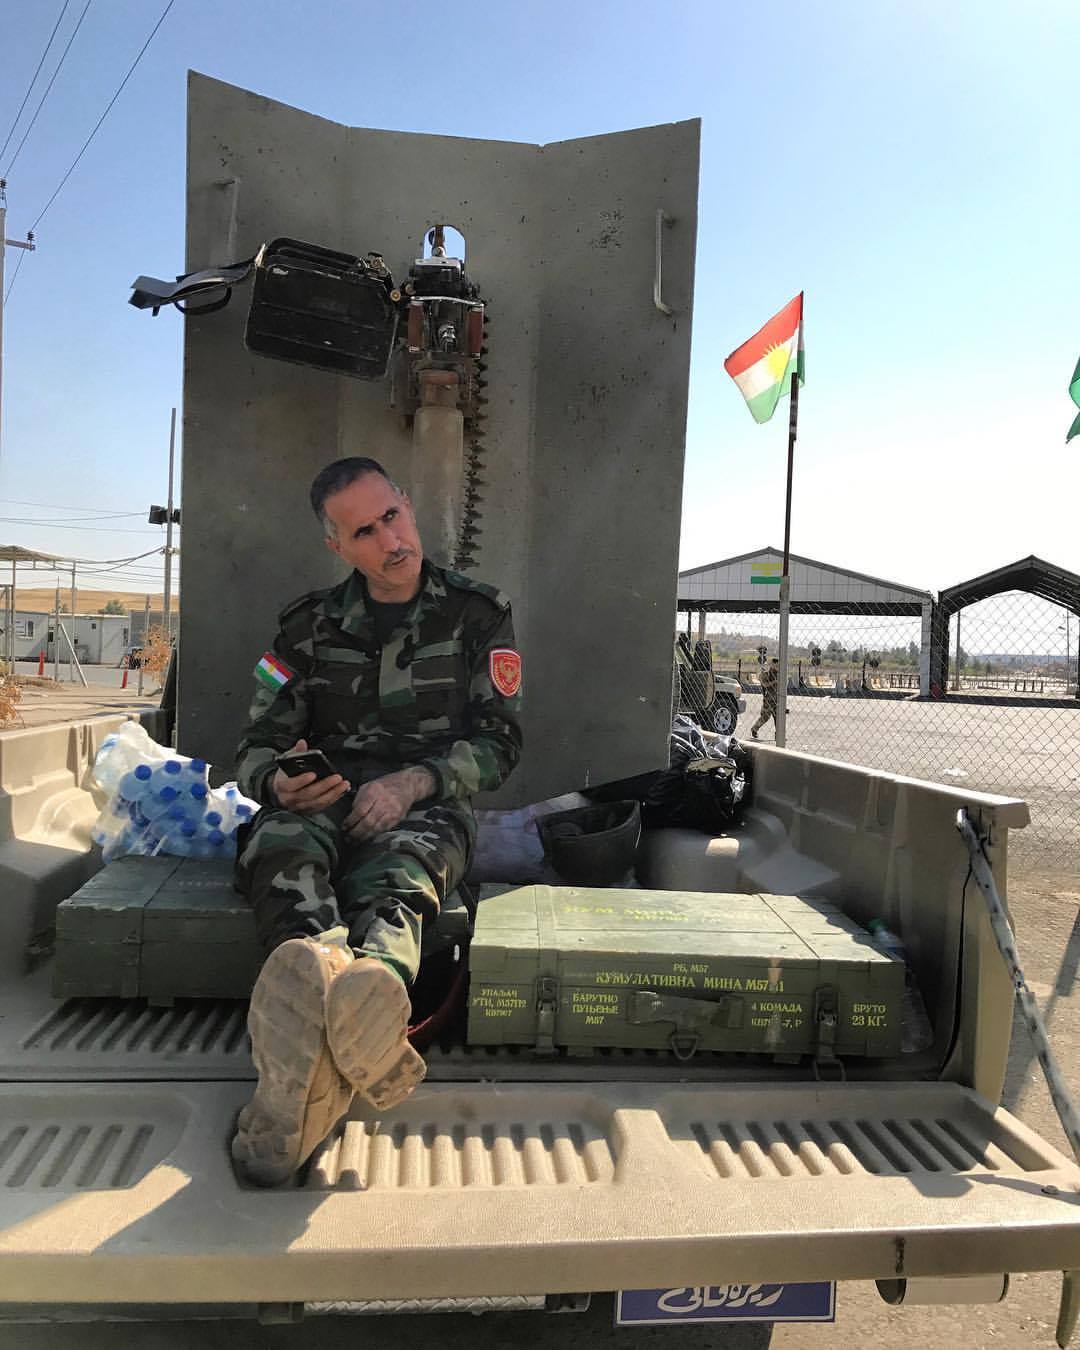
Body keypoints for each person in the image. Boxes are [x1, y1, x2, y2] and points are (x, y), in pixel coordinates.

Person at [231, 456, 522, 1185]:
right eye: (364, 531)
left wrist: (415, 780)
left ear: (406, 501)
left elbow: (501, 742)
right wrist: (277, 781)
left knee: (399, 880)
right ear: (338, 546)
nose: (390, 540)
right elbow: (255, 746)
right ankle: (327, 986)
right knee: (277, 843)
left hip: (424, 806)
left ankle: (367, 995)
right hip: (326, 800)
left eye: (392, 516)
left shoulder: (477, 614)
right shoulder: (305, 626)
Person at [750, 656, 780, 739]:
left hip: (778, 699)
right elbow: (764, 685)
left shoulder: (780, 675)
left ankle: (778, 735)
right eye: (776, 665)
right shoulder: (766, 674)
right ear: (771, 665)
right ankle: (754, 729)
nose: (777, 667)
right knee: (765, 717)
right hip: (768, 699)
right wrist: (775, 682)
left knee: (778, 717)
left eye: (778, 666)